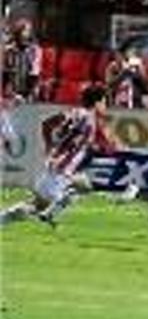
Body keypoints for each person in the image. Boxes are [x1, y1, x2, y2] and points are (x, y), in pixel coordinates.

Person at [0, 85, 117, 227]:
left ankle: (9, 218)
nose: (105, 105)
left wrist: (50, 147)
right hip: (60, 168)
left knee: (39, 204)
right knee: (77, 189)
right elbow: (69, 136)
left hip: (56, 165)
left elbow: (47, 124)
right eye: (104, 101)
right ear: (98, 102)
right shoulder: (86, 117)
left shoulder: (75, 113)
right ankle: (49, 213)